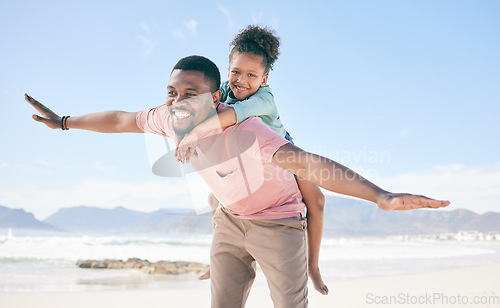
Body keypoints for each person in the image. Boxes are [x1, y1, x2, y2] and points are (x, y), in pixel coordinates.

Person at [25, 55, 450, 308]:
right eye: (171, 92)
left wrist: (382, 196)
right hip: (229, 222)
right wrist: (64, 122)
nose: (175, 101)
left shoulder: (250, 131)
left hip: (280, 223)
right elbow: (119, 120)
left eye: (188, 93)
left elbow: (309, 163)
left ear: (214, 99)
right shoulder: (168, 119)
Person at [175, 25, 328, 294]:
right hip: (246, 159)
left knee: (317, 200)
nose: (241, 80)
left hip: (281, 151)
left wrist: (197, 132)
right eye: (236, 71)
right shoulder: (222, 89)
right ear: (228, 69)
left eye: (251, 75)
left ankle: (313, 265)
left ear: (264, 79)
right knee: (215, 200)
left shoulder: (265, 98)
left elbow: (235, 115)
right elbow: (198, 103)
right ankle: (221, 260)